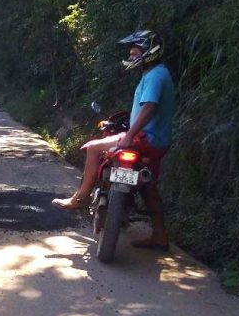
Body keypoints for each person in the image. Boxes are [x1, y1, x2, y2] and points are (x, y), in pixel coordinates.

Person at [52, 30, 174, 251]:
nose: (131, 53)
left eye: (135, 49)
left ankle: (80, 198)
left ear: (149, 51)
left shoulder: (155, 75)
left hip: (145, 138)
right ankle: (160, 235)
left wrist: (129, 135)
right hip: (158, 141)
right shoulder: (157, 73)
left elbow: (149, 107)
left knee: (92, 148)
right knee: (148, 186)